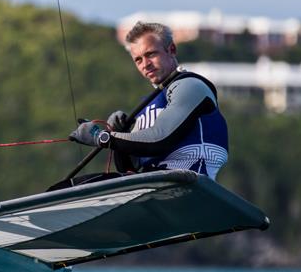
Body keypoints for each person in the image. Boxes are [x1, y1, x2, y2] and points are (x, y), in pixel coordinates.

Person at [69, 22, 228, 180]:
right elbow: (130, 168)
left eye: (151, 54)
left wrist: (101, 137)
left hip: (187, 186)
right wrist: (120, 132)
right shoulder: (149, 104)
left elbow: (159, 139)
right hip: (154, 187)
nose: (145, 65)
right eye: (138, 60)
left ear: (171, 50)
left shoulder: (191, 86)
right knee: (73, 185)